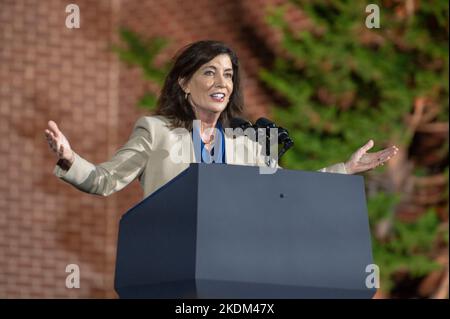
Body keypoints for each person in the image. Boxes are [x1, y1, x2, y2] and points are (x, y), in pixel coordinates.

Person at [44, 40, 398, 199]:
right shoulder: (155, 132)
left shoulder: (246, 145)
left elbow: (284, 192)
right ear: (184, 82)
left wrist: (343, 170)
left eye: (228, 75)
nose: (221, 83)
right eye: (209, 72)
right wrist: (69, 158)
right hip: (172, 263)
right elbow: (105, 181)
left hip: (232, 271)